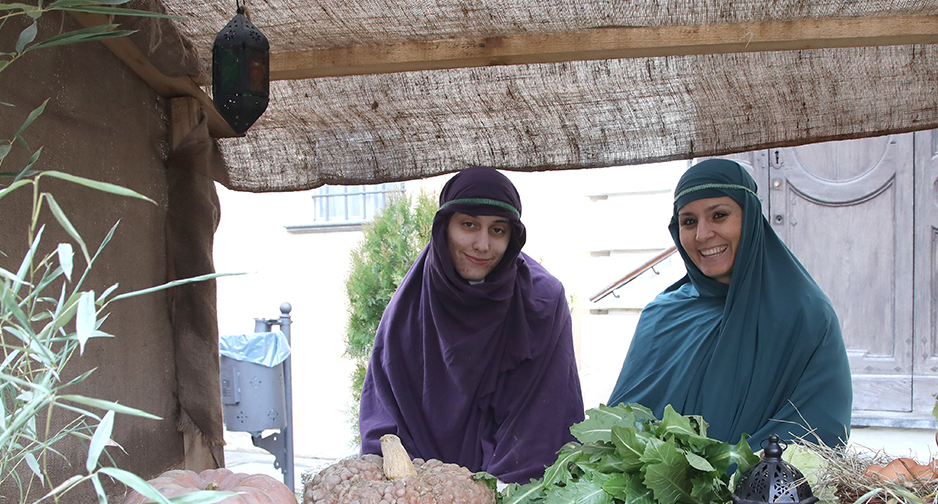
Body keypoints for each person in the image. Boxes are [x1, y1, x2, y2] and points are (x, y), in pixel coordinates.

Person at [359, 166, 586, 484]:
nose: (482, 244)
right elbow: (384, 419)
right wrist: (421, 492)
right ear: (444, 228)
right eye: (469, 224)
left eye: (498, 230)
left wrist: (493, 503)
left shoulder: (543, 302)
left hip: (512, 494)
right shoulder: (409, 307)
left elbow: (543, 422)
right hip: (421, 495)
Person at [608, 158, 852, 452]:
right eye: (688, 221)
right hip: (650, 494)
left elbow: (815, 435)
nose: (702, 234)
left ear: (749, 218)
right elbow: (619, 428)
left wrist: (718, 481)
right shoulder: (661, 315)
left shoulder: (804, 316)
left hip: (756, 495)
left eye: (719, 215)